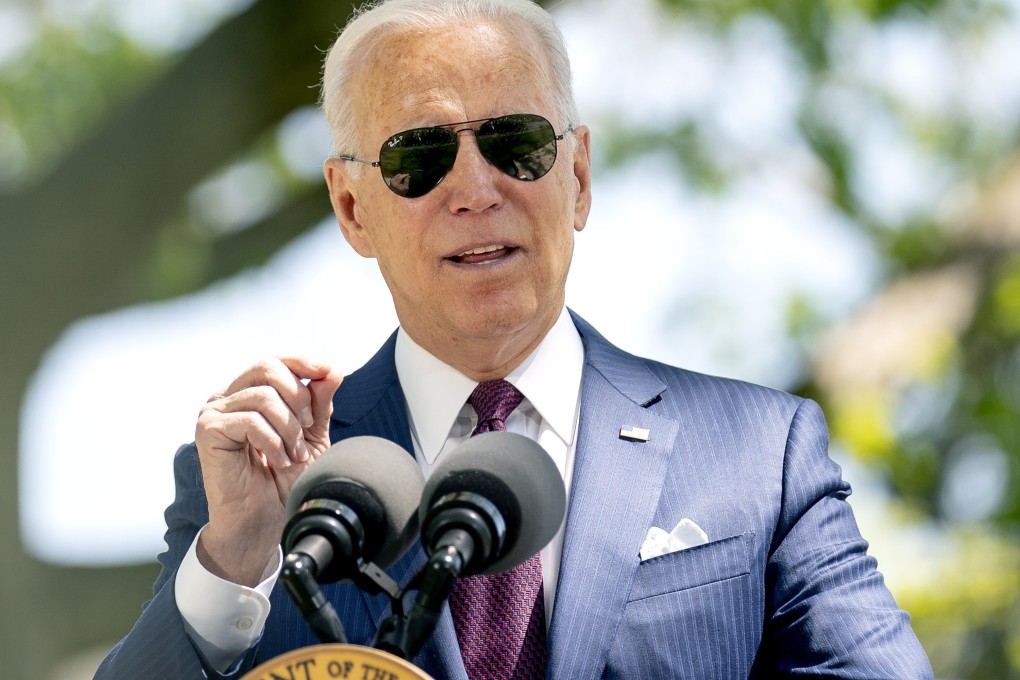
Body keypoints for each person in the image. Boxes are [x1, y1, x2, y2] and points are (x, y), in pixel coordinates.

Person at [96, 0, 935, 677]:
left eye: (516, 144)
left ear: (577, 178)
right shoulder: (263, 479)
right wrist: (233, 566)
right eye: (418, 158)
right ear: (352, 209)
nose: (474, 188)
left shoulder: (760, 454)